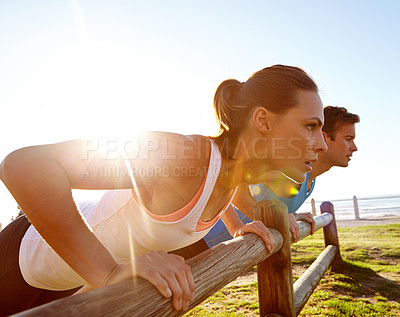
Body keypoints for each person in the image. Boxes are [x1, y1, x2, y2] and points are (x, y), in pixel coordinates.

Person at [0, 65, 327, 316]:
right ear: (264, 121)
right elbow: (24, 166)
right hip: (18, 259)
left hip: (64, 280)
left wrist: (239, 226)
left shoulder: (231, 171)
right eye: (311, 126)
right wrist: (109, 271)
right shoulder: (180, 155)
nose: (322, 144)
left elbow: (228, 188)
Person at [204, 106, 359, 248]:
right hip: (201, 240)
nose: (354, 147)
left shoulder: (310, 179)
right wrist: (239, 225)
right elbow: (231, 183)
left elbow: (274, 207)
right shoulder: (286, 168)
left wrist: (293, 216)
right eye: (348, 139)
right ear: (325, 139)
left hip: (227, 249)